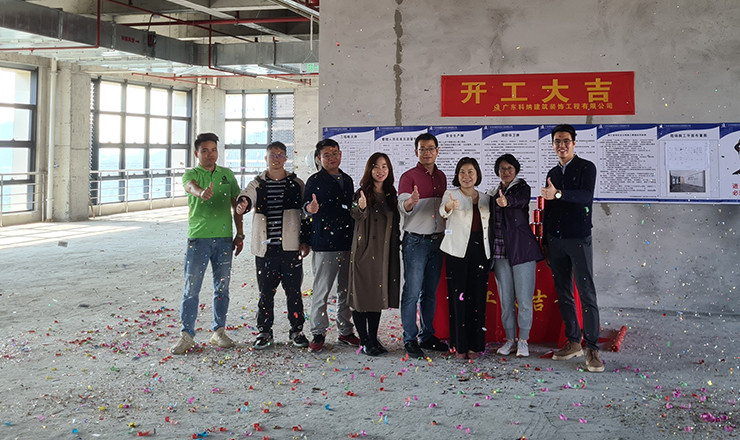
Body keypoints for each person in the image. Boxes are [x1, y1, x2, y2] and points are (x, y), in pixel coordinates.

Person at [170, 133, 244, 354]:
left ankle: (218, 331)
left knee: (222, 288)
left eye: (213, 150)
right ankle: (186, 335)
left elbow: (236, 206)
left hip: (224, 240)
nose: (210, 154)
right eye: (205, 150)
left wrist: (240, 234)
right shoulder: (191, 174)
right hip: (198, 239)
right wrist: (201, 193)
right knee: (191, 288)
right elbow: (190, 186)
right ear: (196, 153)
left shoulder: (227, 174)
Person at [235, 141, 311, 350]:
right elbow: (247, 196)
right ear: (266, 158)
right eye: (272, 155)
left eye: (280, 154)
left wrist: (305, 241)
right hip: (265, 250)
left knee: (294, 292)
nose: (276, 158)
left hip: (291, 248)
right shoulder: (258, 183)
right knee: (266, 293)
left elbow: (306, 215)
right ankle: (264, 331)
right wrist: (243, 204)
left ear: (286, 158)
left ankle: (297, 330)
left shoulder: (296, 184)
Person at [541, 124, 604, 373]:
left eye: (566, 140)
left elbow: (585, 196)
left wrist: (558, 194)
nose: (562, 145)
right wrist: (545, 242)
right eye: (557, 141)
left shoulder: (586, 167)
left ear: (574, 143)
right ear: (552, 145)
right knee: (564, 293)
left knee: (586, 293)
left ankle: (592, 348)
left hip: (578, 239)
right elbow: (548, 208)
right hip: (555, 241)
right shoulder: (552, 172)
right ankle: (574, 342)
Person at [303, 139, 360, 353]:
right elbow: (305, 207)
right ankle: (318, 332)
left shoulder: (347, 179)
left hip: (347, 241)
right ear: (319, 158)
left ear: (340, 154)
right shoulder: (314, 180)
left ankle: (345, 330)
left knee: (345, 290)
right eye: (326, 155)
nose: (332, 157)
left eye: (335, 153)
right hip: (324, 243)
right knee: (322, 290)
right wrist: (309, 208)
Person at [398, 133, 449, 359]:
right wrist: (411, 201)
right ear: (416, 152)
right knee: (412, 291)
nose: (427, 152)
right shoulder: (408, 176)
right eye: (422, 149)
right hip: (416, 242)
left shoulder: (442, 176)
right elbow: (403, 205)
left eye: (430, 148)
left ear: (437, 151)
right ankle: (410, 338)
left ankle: (427, 336)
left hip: (438, 241)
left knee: (430, 293)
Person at [489, 154, 544, 358]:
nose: (506, 172)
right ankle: (510, 339)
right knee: (506, 300)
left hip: (522, 251)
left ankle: (523, 340)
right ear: (497, 171)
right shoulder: (492, 193)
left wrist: (507, 202)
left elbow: (520, 201)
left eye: (510, 168)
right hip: (500, 253)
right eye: (502, 169)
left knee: (524, 299)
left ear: (516, 170)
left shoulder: (522, 188)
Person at [348, 152, 401, 356]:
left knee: (376, 297)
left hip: (384, 253)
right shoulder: (362, 193)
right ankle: (364, 340)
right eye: (376, 166)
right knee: (362, 297)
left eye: (384, 166)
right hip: (365, 251)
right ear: (369, 170)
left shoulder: (390, 194)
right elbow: (355, 213)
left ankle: (373, 337)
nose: (380, 171)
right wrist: (360, 207)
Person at [439, 157, 491, 360]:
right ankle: (459, 346)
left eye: (470, 172)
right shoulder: (450, 194)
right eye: (462, 172)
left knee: (477, 298)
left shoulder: (486, 197)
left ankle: (475, 346)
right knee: (458, 299)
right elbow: (443, 212)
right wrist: (450, 205)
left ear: (477, 175)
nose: (466, 176)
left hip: (481, 251)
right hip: (456, 251)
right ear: (457, 175)